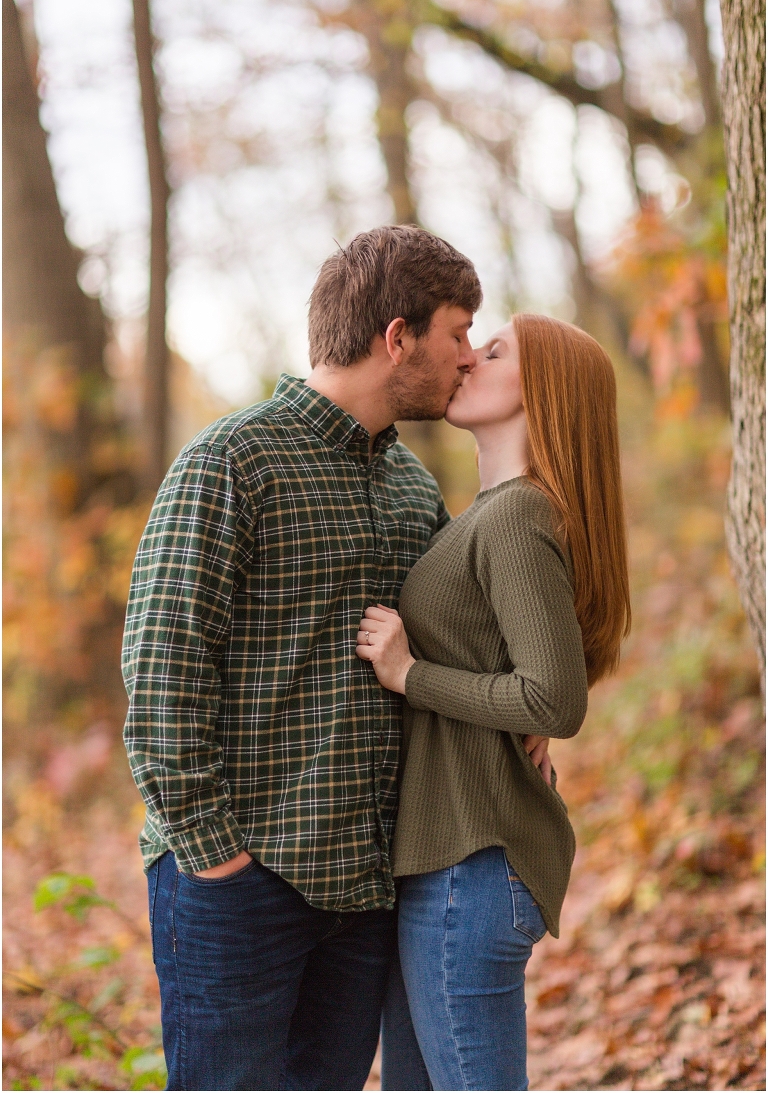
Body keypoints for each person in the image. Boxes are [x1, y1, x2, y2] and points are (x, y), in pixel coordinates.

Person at [121, 225, 484, 1092]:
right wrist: (217, 860)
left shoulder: (410, 486)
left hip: (361, 894)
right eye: (458, 333)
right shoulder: (229, 463)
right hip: (237, 887)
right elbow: (163, 672)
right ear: (397, 337)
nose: (468, 357)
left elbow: (447, 650)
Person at [355, 312, 632, 1092]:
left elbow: (553, 699)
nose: (470, 357)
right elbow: (524, 680)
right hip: (448, 864)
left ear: (541, 393)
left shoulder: (515, 514)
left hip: (469, 867)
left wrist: (411, 674)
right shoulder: (491, 512)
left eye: (496, 350)